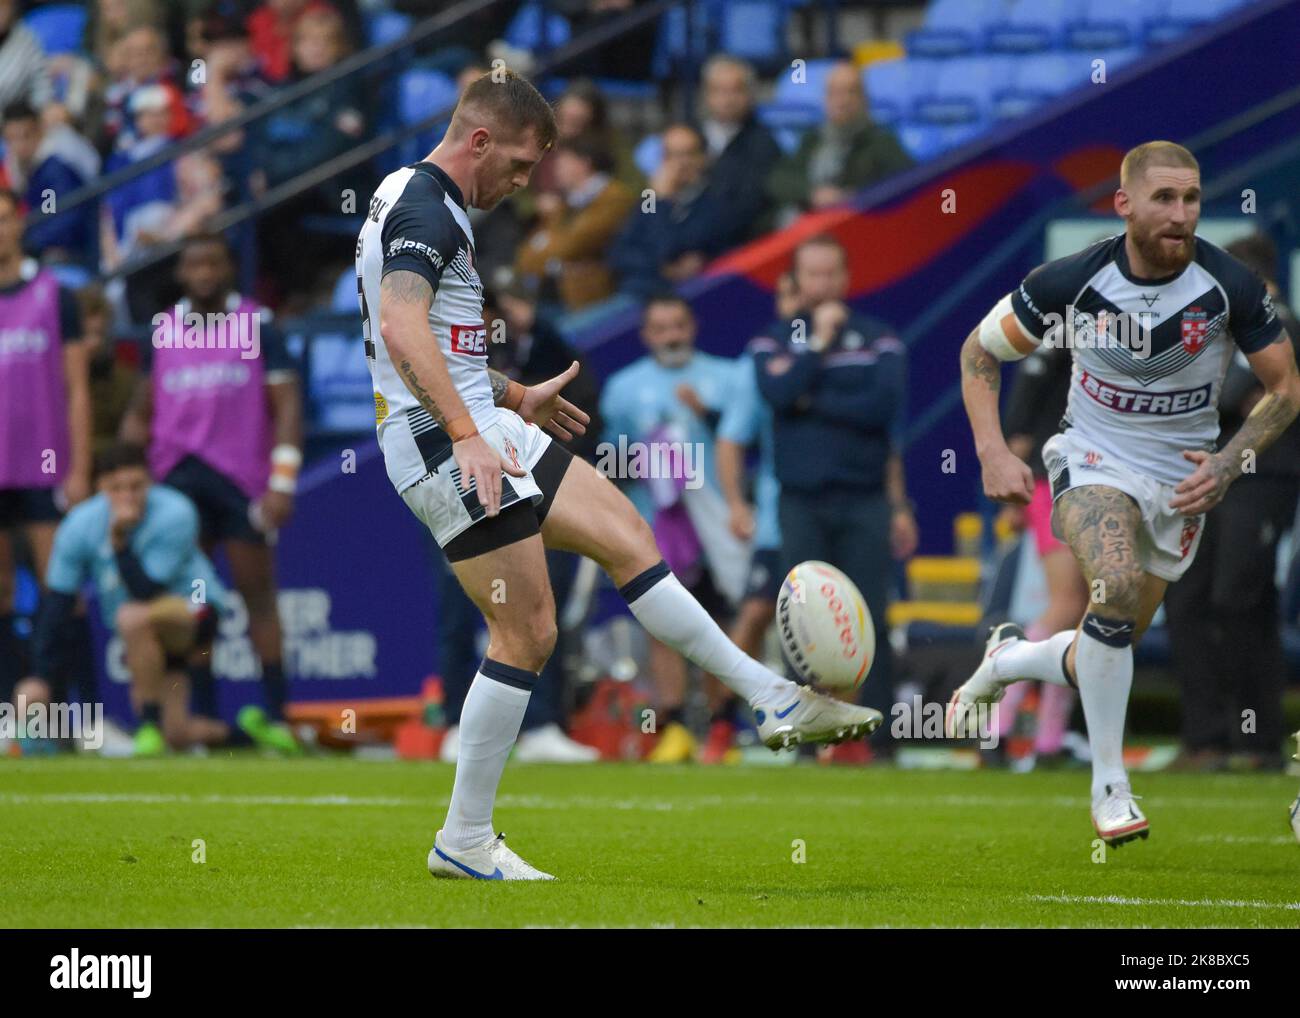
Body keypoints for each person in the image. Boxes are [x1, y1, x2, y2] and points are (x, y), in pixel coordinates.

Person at [356, 70, 881, 880]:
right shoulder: (429, 209)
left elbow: (432, 341)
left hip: (481, 424)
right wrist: (467, 432)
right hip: (441, 443)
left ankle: (770, 697)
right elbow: (398, 327)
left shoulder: (407, 194)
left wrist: (514, 395)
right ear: (480, 140)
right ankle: (463, 841)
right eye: (522, 165)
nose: (526, 184)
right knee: (527, 634)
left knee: (630, 538)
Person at [951, 141, 1300, 846]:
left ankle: (1010, 661)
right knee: (1109, 587)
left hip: (1181, 483)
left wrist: (1231, 462)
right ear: (1125, 205)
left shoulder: (1228, 285)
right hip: (1092, 457)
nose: (1180, 214)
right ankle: (1111, 786)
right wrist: (989, 451)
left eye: (1192, 199)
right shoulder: (1072, 281)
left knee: (1109, 647)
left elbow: (1286, 388)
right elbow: (978, 352)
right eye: (1164, 199)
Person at [120, 231, 303, 754]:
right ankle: (199, 721)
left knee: (257, 598)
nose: (203, 272)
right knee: (194, 603)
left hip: (241, 480)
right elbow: (140, 413)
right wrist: (130, 484)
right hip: (176, 482)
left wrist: (282, 481)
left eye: (213, 263)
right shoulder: (164, 330)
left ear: (228, 267)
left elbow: (287, 406)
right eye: (193, 263)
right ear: (181, 272)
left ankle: (278, 719)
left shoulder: (257, 325)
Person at [751, 234, 916, 762]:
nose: (821, 284)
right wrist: (818, 346)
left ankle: (882, 743)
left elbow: (882, 406)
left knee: (873, 615)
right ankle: (806, 741)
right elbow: (776, 395)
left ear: (845, 278)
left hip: (866, 500)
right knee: (801, 621)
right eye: (811, 275)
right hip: (800, 503)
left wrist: (809, 397)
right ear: (796, 282)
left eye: (830, 274)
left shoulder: (879, 337)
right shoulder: (773, 339)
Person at [1162, 232, 1300, 771]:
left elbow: (1226, 397)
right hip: (1202, 480)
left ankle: (1256, 738)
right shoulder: (1223, 334)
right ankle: (1207, 738)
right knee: (1187, 599)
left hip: (1261, 479)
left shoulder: (1280, 327)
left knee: (1238, 598)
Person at [599, 294, 740, 764]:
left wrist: (706, 415)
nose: (671, 336)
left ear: (692, 326)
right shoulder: (622, 388)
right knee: (664, 624)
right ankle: (676, 727)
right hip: (655, 527)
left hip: (717, 528)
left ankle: (722, 730)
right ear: (646, 335)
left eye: (678, 325)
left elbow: (749, 441)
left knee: (723, 625)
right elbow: (608, 461)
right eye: (660, 328)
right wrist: (649, 460)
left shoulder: (728, 377)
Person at [19, 443, 230, 755]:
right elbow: (59, 605)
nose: (127, 496)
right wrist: (41, 678)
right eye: (116, 488)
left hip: (193, 612)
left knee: (132, 616)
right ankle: (246, 734)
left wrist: (118, 541)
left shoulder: (177, 512)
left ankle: (147, 727)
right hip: (143, 633)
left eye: (136, 486)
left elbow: (146, 589)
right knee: (178, 732)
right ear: (99, 488)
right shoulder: (79, 526)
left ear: (151, 482)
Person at [0, 188, 91, 707]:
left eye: (4, 218)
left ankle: (78, 711)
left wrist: (77, 467)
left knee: (60, 588)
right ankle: (14, 712)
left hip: (42, 463)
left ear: (20, 224)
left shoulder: (54, 293)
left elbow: (76, 386)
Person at [709, 272, 801, 763]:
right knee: (758, 611)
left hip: (844, 506)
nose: (796, 303)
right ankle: (722, 723)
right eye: (788, 292)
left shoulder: (855, 345)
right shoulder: (761, 358)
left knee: (840, 617)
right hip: (778, 513)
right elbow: (732, 436)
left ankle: (842, 735)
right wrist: (737, 504)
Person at [994, 339, 1086, 767]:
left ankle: (1049, 740)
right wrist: (1017, 495)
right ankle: (996, 724)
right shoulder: (1060, 342)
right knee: (1067, 605)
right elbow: (1019, 425)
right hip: (1056, 483)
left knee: (1083, 613)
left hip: (1087, 482)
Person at [610, 123, 745, 300]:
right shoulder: (651, 199)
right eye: (671, 155)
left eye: (688, 154)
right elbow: (619, 252)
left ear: (704, 157)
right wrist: (660, 267)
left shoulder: (717, 202)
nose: (680, 163)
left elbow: (668, 250)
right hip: (639, 291)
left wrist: (663, 202)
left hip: (690, 298)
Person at [767, 61, 911, 222]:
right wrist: (812, 193)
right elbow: (779, 179)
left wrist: (855, 197)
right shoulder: (812, 138)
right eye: (834, 93)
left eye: (850, 92)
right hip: (809, 222)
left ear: (864, 98)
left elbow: (906, 183)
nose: (842, 101)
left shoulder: (882, 141)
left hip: (857, 223)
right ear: (825, 99)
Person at [513, 133, 635, 312]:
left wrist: (550, 256)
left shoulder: (614, 198)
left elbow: (572, 245)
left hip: (594, 302)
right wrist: (556, 262)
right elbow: (526, 257)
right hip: (554, 295)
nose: (556, 169)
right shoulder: (566, 204)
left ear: (584, 163)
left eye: (563, 162)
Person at [0, 101, 100, 264]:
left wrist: (26, 243)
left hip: (74, 255)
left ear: (39, 130)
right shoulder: (26, 169)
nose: (20, 146)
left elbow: (54, 217)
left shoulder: (54, 170)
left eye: (26, 136)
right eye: (12, 139)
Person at [697, 55, 781, 242]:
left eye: (736, 90)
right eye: (718, 90)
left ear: (750, 94)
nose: (727, 99)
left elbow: (747, 208)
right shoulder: (689, 138)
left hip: (733, 249)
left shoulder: (764, 145)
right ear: (705, 95)